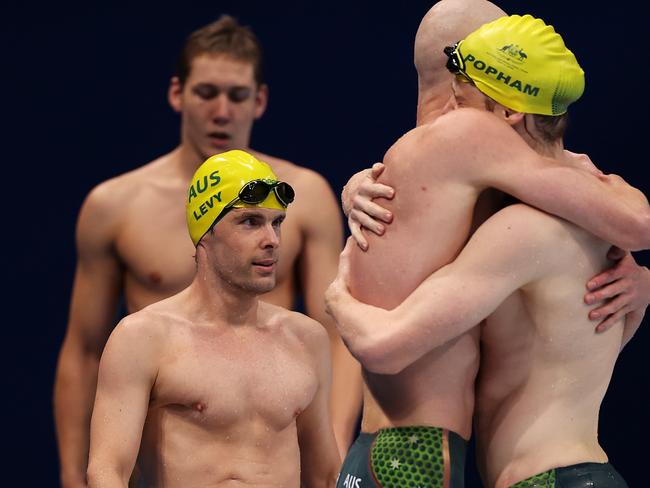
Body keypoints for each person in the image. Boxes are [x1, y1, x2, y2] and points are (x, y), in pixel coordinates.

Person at [326, 2, 650, 487]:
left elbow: (385, 346)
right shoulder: (567, 193)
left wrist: (336, 294)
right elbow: (631, 239)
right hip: (532, 466)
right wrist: (641, 281)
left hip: (405, 455)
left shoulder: (463, 179)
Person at [54, 15, 359, 487]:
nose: (222, 111)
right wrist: (74, 475)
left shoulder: (307, 195)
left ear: (259, 101)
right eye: (207, 93)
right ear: (178, 94)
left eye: (237, 96)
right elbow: (84, 350)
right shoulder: (116, 207)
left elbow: (336, 334)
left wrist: (331, 453)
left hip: (276, 425)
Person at [86, 150, 340, 487]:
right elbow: (107, 471)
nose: (272, 240)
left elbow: (325, 475)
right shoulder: (144, 339)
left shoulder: (306, 340)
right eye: (250, 222)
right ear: (206, 231)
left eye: (276, 222)